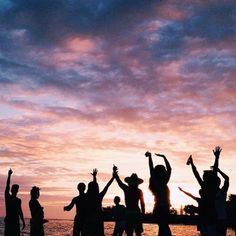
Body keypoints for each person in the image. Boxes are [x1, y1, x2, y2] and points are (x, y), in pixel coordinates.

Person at [187, 153, 218, 236]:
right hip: (205, 214)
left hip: (209, 214)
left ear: (208, 177)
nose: (202, 176)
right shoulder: (207, 186)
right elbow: (196, 174)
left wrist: (217, 158)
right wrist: (192, 164)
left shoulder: (210, 187)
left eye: (204, 175)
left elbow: (214, 173)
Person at [145, 151, 172, 236]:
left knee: (163, 228)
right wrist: (162, 157)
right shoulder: (160, 182)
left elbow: (169, 169)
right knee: (164, 227)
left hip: (161, 208)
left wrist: (163, 157)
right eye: (163, 170)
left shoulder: (160, 182)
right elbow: (151, 168)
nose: (165, 172)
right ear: (160, 172)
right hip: (162, 208)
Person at [113, 166, 145, 236]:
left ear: (129, 182)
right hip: (137, 213)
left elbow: (119, 182)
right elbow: (142, 204)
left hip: (129, 213)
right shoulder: (139, 191)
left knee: (129, 233)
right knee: (138, 233)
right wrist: (143, 214)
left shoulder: (127, 189)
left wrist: (115, 173)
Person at [83, 168, 114, 236]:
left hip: (89, 220)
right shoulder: (99, 196)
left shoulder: (86, 197)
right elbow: (107, 186)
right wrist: (113, 177)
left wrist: (94, 177)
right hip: (98, 220)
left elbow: (94, 186)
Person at [4, 169, 25, 236]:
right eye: (16, 189)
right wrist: (9, 175)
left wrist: (23, 221)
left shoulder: (17, 200)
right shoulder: (8, 197)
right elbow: (7, 186)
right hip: (10, 223)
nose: (16, 190)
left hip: (15, 223)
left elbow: (20, 212)